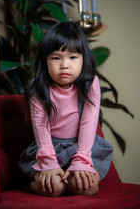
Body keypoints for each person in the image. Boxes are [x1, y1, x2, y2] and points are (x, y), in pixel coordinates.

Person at [19, 21, 113, 197]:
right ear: (45, 61)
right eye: (56, 58)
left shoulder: (90, 83)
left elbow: (88, 123)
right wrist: (48, 163)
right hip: (49, 148)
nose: (64, 65)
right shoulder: (38, 87)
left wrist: (82, 161)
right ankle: (36, 183)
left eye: (73, 57)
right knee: (54, 188)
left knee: (84, 187)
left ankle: (74, 177)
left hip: (82, 146)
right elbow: (41, 127)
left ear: (83, 58)